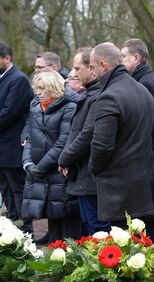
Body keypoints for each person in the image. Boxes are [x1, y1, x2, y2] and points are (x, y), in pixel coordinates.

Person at [88, 42, 154, 224]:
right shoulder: (143, 91)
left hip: (116, 189)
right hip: (143, 182)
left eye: (93, 67)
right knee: (138, 247)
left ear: (103, 65)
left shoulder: (109, 97)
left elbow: (102, 145)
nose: (92, 72)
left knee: (118, 248)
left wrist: (93, 169)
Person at [22, 71, 80, 242]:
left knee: (67, 219)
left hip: (59, 170)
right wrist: (27, 163)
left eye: (42, 88)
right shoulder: (36, 108)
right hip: (40, 172)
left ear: (53, 88)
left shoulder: (69, 107)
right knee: (52, 218)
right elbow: (29, 139)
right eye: (37, 88)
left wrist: (40, 167)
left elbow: (63, 141)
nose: (38, 92)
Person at [58, 47, 110, 236]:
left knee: (98, 230)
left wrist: (64, 158)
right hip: (82, 174)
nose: (73, 73)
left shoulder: (97, 97)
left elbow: (87, 134)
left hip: (90, 175)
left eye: (77, 68)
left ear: (92, 68)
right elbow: (75, 132)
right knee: (89, 226)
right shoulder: (88, 95)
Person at [121, 38, 154, 239]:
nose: (120, 60)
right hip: (146, 155)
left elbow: (143, 125)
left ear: (136, 57)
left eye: (123, 56)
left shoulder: (145, 83)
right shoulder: (142, 80)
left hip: (147, 157)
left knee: (148, 217)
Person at [0, 42, 33, 233]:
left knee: (18, 189)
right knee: (6, 189)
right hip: (3, 146)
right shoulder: (3, 78)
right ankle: (14, 224)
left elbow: (9, 112)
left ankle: (26, 228)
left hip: (13, 146)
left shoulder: (18, 79)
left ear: (7, 58)